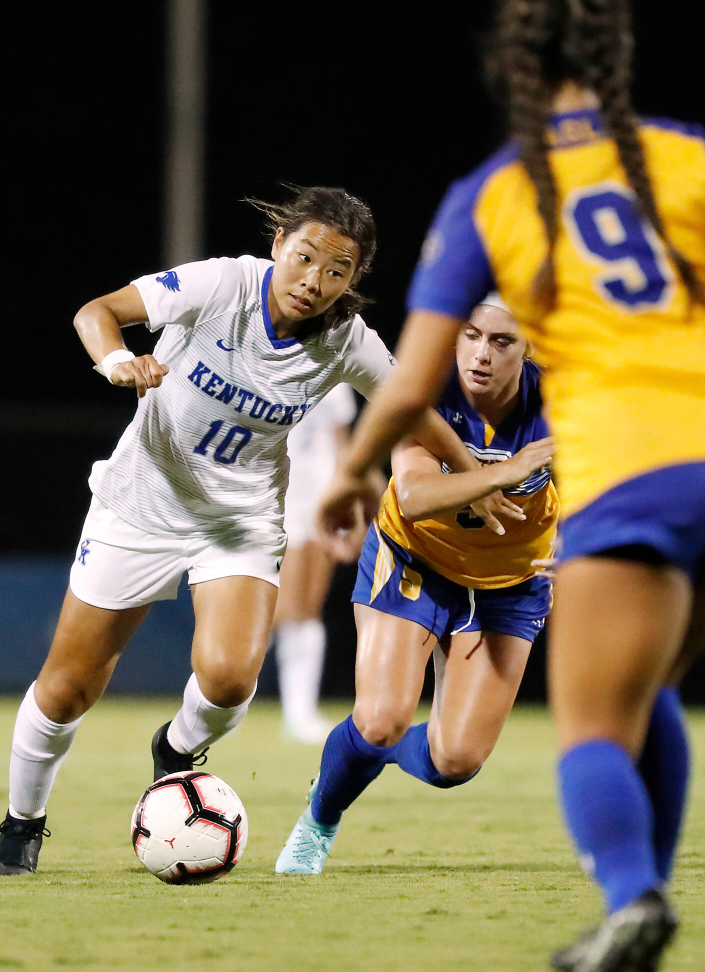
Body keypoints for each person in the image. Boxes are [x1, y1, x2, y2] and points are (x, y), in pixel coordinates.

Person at [313, 0, 705, 972]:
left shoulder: (497, 192)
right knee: (648, 684)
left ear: (512, 65)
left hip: (643, 465)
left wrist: (348, 477)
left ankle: (631, 897)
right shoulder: (690, 153)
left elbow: (409, 380)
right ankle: (637, 898)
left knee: (594, 720)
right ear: (614, 58)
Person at [0, 186, 491, 877]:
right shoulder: (223, 283)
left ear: (354, 279)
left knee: (229, 679)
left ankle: (175, 751)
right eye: (304, 257)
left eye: (336, 270)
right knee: (68, 688)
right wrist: (117, 361)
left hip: (239, 520)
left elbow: (408, 403)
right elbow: (98, 312)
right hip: (141, 504)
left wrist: (475, 475)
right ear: (277, 246)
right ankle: (22, 822)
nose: (313, 280)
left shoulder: (345, 340)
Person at [274, 298, 556, 874]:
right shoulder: (421, 386)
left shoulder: (565, 400)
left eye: (502, 341)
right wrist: (503, 470)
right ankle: (320, 820)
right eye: (471, 335)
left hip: (510, 582)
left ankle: (370, 755)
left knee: (456, 761)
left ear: (531, 346)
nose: (481, 353)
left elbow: (617, 479)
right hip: (415, 560)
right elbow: (415, 496)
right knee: (379, 718)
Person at [274, 382, 363, 745]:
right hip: (282, 492)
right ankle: (220, 687)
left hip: (320, 495)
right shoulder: (276, 365)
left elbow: (343, 447)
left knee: (309, 606)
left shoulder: (337, 378)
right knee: (285, 606)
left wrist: (350, 502)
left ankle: (300, 711)